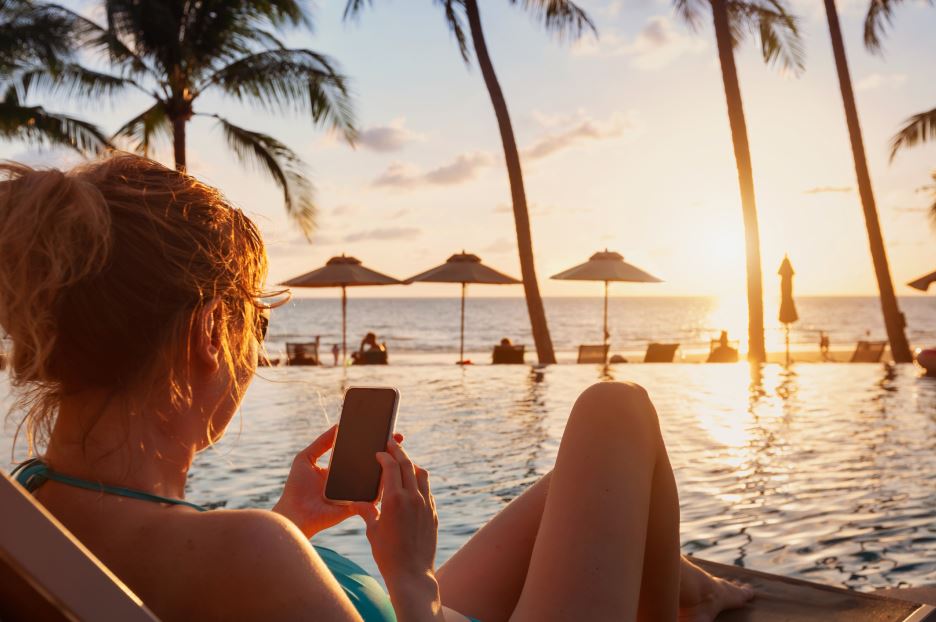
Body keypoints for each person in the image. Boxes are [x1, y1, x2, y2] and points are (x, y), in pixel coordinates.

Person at [0, 155, 751, 621]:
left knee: (581, 486)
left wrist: (290, 521)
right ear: (206, 336)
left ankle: (688, 585)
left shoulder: (30, 516)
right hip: (415, 609)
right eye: (252, 325)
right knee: (613, 412)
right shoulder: (248, 556)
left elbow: (186, 579)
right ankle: (688, 597)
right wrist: (413, 578)